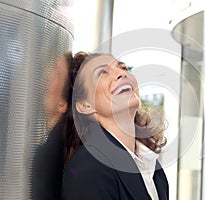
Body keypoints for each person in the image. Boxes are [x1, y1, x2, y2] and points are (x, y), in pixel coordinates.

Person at [62, 51, 169, 200]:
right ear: (85, 105)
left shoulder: (153, 167)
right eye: (102, 73)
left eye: (123, 68)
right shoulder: (88, 168)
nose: (121, 74)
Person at [31, 52, 72, 200]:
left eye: (56, 73)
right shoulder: (69, 145)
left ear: (62, 104)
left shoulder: (48, 155)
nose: (48, 75)